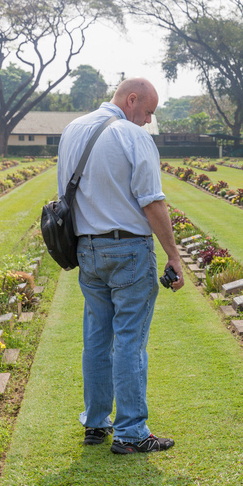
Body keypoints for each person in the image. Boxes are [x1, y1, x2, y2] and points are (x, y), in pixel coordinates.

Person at [57, 78, 184, 454]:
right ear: (131, 100)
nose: (148, 121)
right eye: (147, 111)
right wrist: (174, 255)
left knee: (97, 337)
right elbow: (151, 201)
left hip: (87, 250)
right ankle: (131, 432)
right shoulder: (132, 135)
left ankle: (96, 423)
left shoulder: (72, 130)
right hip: (128, 249)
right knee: (130, 340)